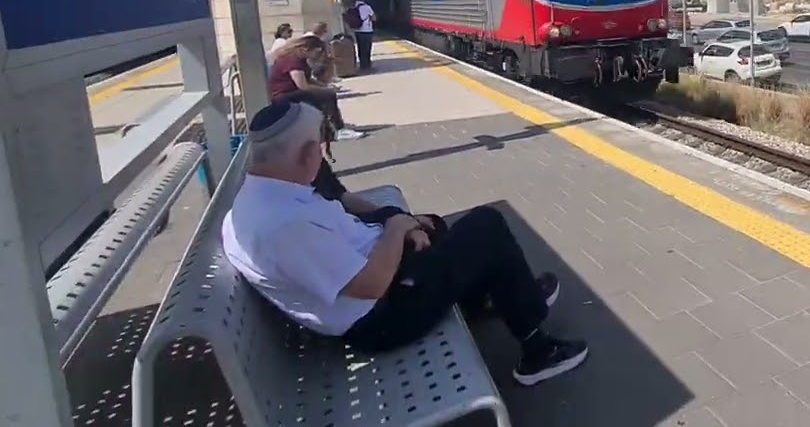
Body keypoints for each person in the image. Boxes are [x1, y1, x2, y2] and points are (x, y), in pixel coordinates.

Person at [222, 101, 589, 386]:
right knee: (486, 226)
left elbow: (345, 225)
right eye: (321, 147)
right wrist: (397, 229)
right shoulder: (282, 226)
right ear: (306, 155)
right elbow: (370, 286)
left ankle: (500, 297)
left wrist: (405, 225)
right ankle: (537, 352)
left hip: (379, 286)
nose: (324, 154)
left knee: (436, 227)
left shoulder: (268, 195)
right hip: (383, 318)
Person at [268, 35, 363, 141]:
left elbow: (307, 79)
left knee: (325, 94)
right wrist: (324, 90)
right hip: (283, 95)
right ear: (306, 49)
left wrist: (323, 86)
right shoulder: (292, 61)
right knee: (327, 96)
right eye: (316, 52)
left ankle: (329, 128)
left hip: (289, 92)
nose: (315, 56)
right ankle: (339, 129)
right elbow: (302, 85)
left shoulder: (297, 58)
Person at [347, 0, 376, 72]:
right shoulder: (367, 7)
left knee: (360, 48)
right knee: (367, 48)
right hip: (367, 30)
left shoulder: (353, 8)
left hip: (357, 31)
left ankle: (362, 65)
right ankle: (367, 65)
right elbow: (374, 18)